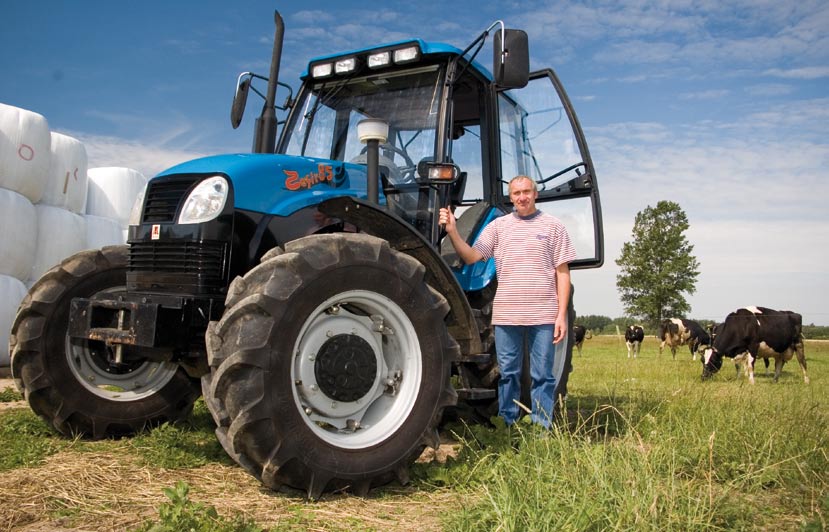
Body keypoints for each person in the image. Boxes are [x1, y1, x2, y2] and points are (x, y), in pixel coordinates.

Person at [439, 175, 576, 428]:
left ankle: (541, 428)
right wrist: (453, 232)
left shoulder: (553, 226)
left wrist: (561, 315)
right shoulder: (498, 227)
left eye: (526, 192)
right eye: (516, 193)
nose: (522, 197)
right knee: (508, 374)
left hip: (543, 315)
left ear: (535, 194)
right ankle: (508, 427)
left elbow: (562, 272)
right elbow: (472, 257)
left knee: (543, 375)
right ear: (511, 197)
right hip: (507, 316)